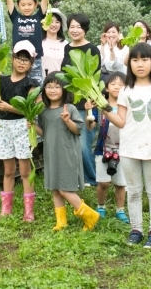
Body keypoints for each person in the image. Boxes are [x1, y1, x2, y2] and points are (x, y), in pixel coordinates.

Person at [102, 43, 151, 250]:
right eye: (135, 60)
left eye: (144, 60)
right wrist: (105, 109)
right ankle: (136, 230)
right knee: (133, 191)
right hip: (129, 148)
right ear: (130, 63)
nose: (140, 64)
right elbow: (122, 121)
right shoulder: (126, 90)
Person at [36, 73, 100, 231]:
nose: (53, 90)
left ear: (64, 90)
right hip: (51, 153)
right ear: (44, 89)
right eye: (49, 87)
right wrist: (32, 125)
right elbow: (45, 132)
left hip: (67, 153)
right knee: (56, 189)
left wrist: (67, 120)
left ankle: (90, 216)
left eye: (57, 87)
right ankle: (61, 222)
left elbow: (78, 129)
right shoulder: (43, 111)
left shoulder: (69, 108)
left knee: (64, 188)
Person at [0, 40, 40, 221]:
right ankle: (6, 209)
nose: (21, 62)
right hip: (4, 127)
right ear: (12, 59)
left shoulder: (31, 84)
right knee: (8, 170)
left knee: (26, 171)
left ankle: (29, 212)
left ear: (31, 64)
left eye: (26, 60)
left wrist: (9, 107)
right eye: (19, 58)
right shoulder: (2, 81)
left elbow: (32, 110)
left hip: (22, 127)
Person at [61, 13, 101, 187]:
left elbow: (95, 79)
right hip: (71, 103)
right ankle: (80, 178)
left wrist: (92, 100)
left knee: (85, 145)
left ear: (85, 29)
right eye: (72, 27)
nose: (75, 30)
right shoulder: (67, 48)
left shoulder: (93, 49)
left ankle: (92, 178)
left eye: (79, 27)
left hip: (87, 104)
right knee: (74, 144)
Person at [87, 72, 129, 223]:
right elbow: (91, 126)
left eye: (121, 84)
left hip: (123, 151)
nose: (117, 87)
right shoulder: (99, 106)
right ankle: (101, 206)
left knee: (121, 183)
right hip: (102, 149)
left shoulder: (128, 106)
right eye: (113, 84)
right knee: (103, 183)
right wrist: (89, 113)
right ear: (106, 88)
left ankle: (120, 210)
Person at [0, 0, 49, 85]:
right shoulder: (16, 17)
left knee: (36, 87)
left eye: (29, 4)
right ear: (18, 6)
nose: (26, 7)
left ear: (35, 5)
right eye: (23, 5)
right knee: (18, 85)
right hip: (18, 59)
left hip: (35, 59)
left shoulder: (39, 17)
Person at [41, 8, 68, 76]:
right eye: (51, 21)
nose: (54, 25)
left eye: (57, 22)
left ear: (61, 24)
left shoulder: (66, 44)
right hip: (41, 83)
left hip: (59, 84)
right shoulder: (39, 42)